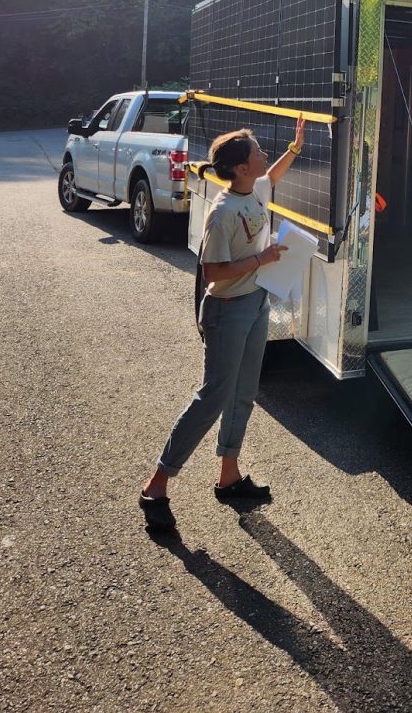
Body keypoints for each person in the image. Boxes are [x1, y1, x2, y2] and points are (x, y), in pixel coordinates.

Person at [139, 117, 305, 531]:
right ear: (240, 168)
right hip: (227, 310)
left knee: (244, 392)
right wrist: (260, 261)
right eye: (257, 153)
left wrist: (296, 147)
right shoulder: (223, 211)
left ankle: (228, 476)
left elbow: (272, 174)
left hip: (256, 303)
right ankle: (156, 486)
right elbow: (212, 271)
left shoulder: (253, 190)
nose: (264, 156)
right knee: (213, 396)